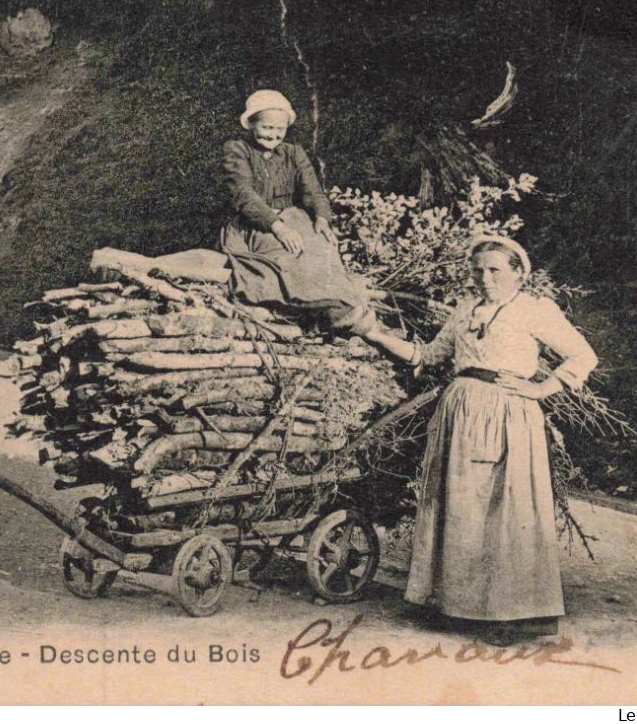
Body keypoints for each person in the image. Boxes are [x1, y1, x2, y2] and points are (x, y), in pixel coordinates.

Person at [361, 235, 598, 643]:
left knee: (504, 510)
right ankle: (458, 607)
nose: (485, 278)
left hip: (508, 413)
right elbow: (428, 356)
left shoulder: (533, 310)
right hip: (460, 409)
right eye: (478, 270)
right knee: (461, 508)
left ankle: (509, 614)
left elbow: (583, 355)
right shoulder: (465, 309)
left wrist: (543, 389)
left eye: (495, 270)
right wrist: (375, 334)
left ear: (518, 273)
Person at [219, 89, 375, 335]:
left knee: (321, 246)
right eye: (267, 127)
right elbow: (243, 194)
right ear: (250, 124)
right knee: (286, 254)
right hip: (256, 223)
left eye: (279, 129)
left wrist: (322, 219)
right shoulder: (236, 149)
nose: (274, 134)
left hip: (293, 219)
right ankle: (298, 310)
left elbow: (313, 191)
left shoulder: (294, 152)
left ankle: (334, 309)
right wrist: (278, 227)